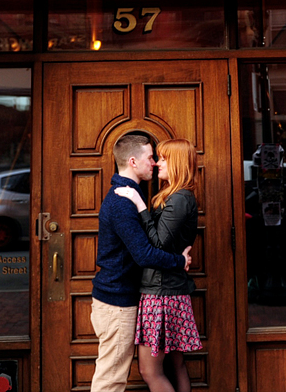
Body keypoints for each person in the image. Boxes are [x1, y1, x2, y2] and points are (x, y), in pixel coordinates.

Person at [91, 133, 193, 392]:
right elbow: (146, 254)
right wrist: (179, 260)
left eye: (160, 158)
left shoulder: (139, 196)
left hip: (133, 296)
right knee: (110, 379)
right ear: (133, 162)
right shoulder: (123, 200)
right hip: (117, 301)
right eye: (151, 157)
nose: (156, 162)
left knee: (125, 374)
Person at [116, 138, 201, 392]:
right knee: (176, 365)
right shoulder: (174, 196)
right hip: (167, 288)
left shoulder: (180, 199)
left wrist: (139, 203)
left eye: (163, 158)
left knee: (149, 370)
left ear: (176, 163)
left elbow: (159, 244)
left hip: (162, 293)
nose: (157, 163)